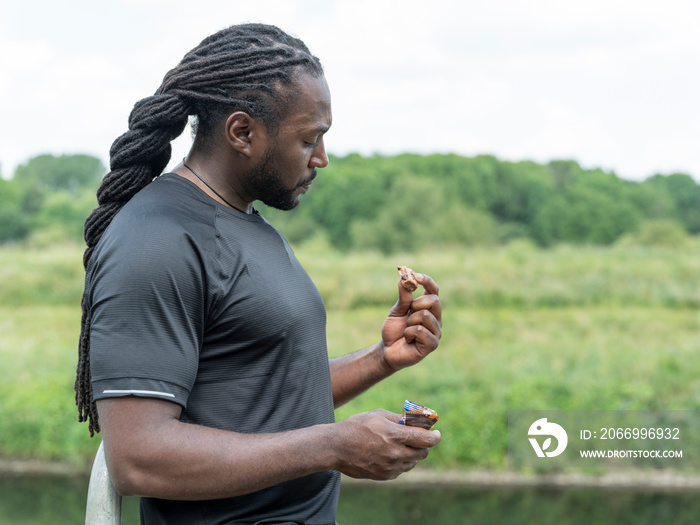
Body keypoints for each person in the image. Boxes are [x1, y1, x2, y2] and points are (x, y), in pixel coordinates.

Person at [76, 23, 442, 525]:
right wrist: (334, 445)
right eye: (309, 139)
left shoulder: (244, 219)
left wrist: (381, 359)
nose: (322, 158)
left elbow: (265, 397)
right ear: (243, 133)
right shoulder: (155, 240)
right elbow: (139, 459)